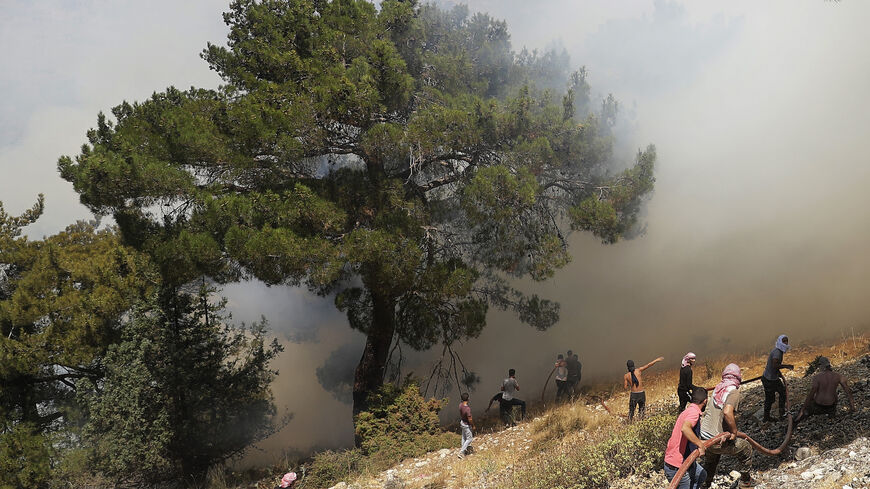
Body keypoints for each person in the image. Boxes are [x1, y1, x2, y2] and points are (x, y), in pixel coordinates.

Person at [699, 364, 754, 489]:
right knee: (746, 448)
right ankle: (746, 482)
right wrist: (734, 432)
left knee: (711, 461)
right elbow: (727, 412)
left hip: (705, 440)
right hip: (717, 441)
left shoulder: (717, 389)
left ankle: (704, 484)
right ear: (738, 376)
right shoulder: (733, 392)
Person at [664, 387, 709, 489]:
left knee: (701, 475)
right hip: (677, 466)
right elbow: (685, 429)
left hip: (685, 460)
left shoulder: (688, 411)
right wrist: (700, 445)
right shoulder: (693, 413)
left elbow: (690, 438)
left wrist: (706, 442)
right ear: (705, 401)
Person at [794, 356, 855, 425]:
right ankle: (831, 416)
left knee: (803, 411)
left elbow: (811, 395)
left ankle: (794, 424)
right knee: (834, 394)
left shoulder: (817, 377)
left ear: (821, 366)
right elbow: (848, 391)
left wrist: (803, 409)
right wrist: (852, 406)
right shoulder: (838, 376)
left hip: (818, 406)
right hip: (831, 407)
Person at [761, 334, 793, 422]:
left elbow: (774, 366)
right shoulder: (777, 352)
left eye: (787, 341)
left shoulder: (778, 351)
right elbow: (775, 365)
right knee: (770, 399)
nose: (786, 343)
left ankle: (780, 414)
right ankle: (768, 417)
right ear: (780, 341)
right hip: (769, 380)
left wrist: (778, 373)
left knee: (782, 393)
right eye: (784, 341)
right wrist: (787, 366)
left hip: (772, 378)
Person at [624, 356, 664, 421]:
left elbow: (625, 387)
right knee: (642, 410)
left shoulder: (626, 375)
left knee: (631, 411)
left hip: (634, 394)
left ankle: (630, 423)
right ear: (634, 365)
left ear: (627, 367)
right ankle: (641, 422)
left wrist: (630, 384)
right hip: (641, 394)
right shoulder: (639, 370)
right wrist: (656, 360)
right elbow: (648, 365)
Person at [458, 392, 475, 458]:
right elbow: (470, 419)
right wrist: (473, 425)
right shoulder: (467, 409)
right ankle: (461, 452)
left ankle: (464, 450)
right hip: (466, 425)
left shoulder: (460, 405)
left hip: (462, 422)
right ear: (468, 399)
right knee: (469, 439)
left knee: (464, 437)